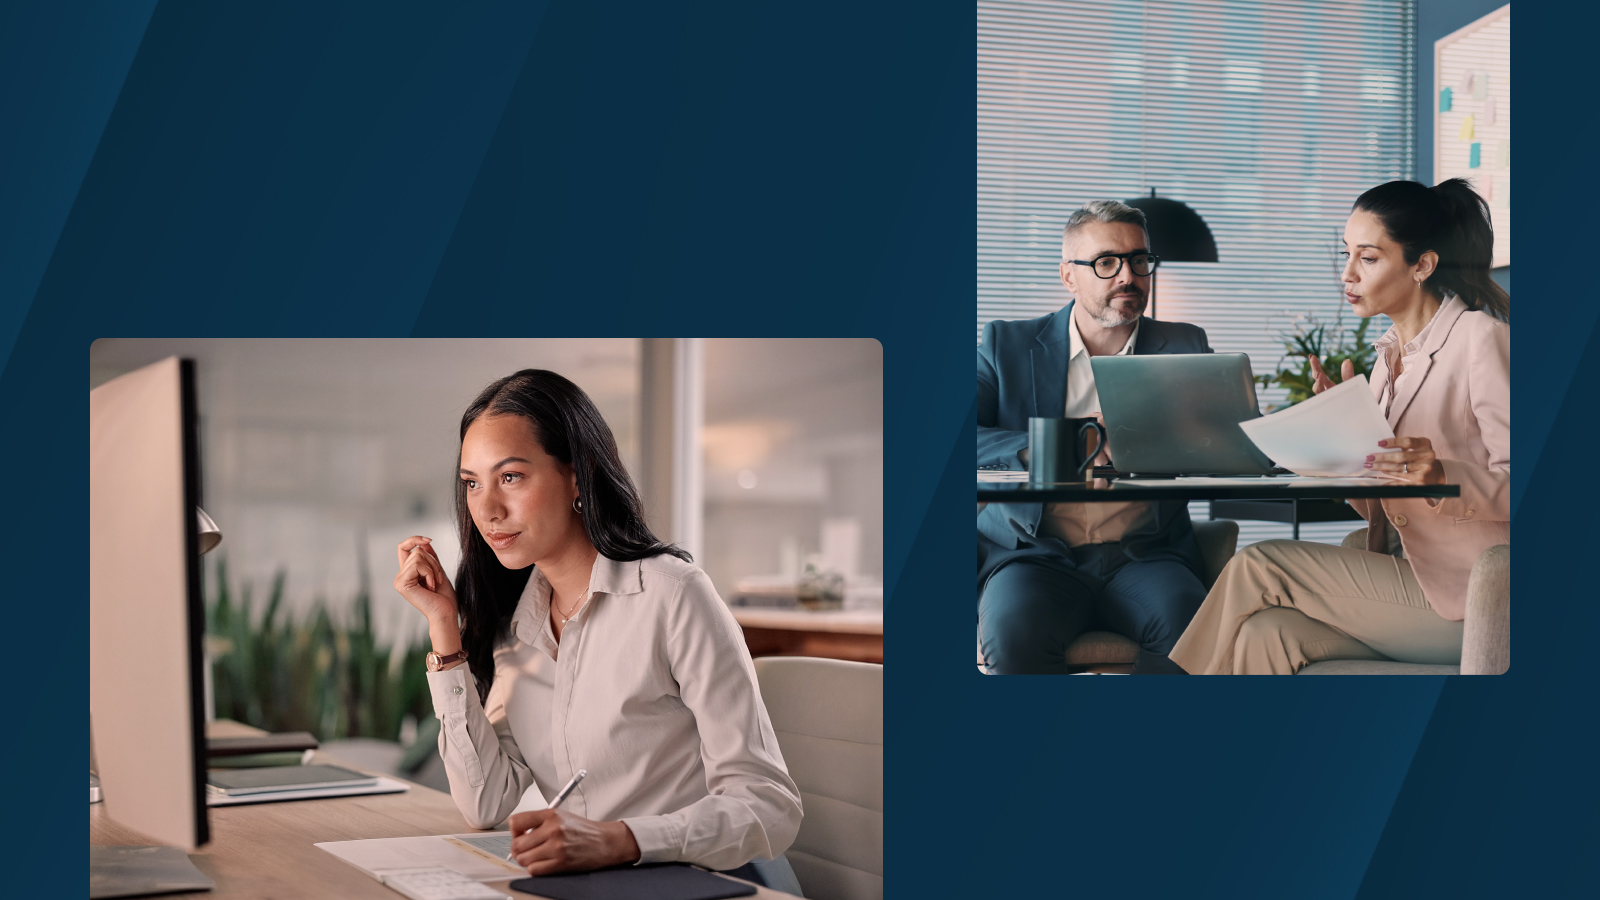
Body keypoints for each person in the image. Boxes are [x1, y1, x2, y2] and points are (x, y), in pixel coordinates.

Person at [394, 369, 803, 886]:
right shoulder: (514, 626)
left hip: (713, 882)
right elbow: (485, 801)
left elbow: (769, 805)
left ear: (576, 474)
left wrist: (620, 839)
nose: (488, 509)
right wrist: (444, 628)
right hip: (601, 887)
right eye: (472, 484)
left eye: (511, 477)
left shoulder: (672, 595)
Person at [1168, 178, 1510, 674]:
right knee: (1267, 634)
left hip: (1474, 594)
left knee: (1261, 563)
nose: (1347, 274)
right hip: (1404, 573)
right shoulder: (1389, 361)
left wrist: (1441, 477)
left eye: (1367, 258)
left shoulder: (1482, 341)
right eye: (1347, 254)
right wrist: (1340, 437)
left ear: (1422, 265)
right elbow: (1375, 503)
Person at [978, 199, 1214, 674]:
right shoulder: (1006, 344)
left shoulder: (1185, 345)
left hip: (1145, 555)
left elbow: (1218, 440)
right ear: (1069, 276)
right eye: (1106, 262)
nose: (1128, 275)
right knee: (1011, 635)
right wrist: (1064, 447)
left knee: (1193, 632)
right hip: (1035, 555)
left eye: (1139, 260)